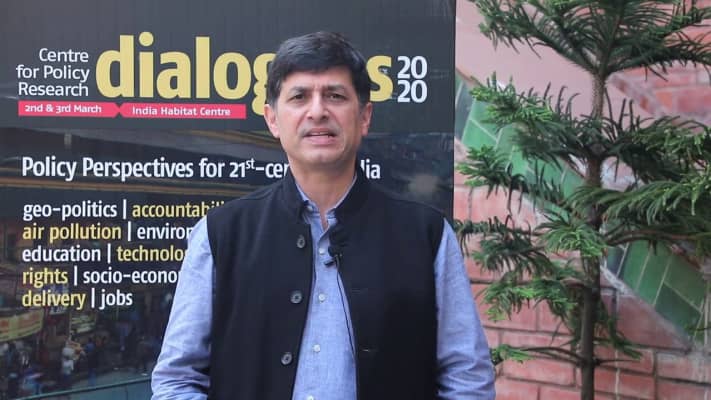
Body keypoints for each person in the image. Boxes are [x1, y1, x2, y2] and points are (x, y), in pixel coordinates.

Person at [151, 31, 495, 399]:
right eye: (299, 97)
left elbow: (467, 378)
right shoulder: (221, 234)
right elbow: (176, 380)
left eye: (335, 96)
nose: (317, 111)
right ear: (272, 119)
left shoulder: (425, 235)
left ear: (364, 116)